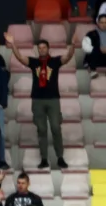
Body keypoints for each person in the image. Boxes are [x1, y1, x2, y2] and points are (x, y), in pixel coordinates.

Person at [7, 33, 68, 169]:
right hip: (37, 100)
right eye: (39, 48)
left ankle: (60, 157)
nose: (41, 50)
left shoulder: (55, 61)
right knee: (41, 129)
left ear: (48, 49)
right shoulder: (34, 62)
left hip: (53, 99)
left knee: (56, 127)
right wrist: (13, 45)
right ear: (37, 50)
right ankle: (44, 159)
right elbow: (20, 58)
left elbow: (67, 58)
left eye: (44, 47)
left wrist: (73, 47)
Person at [82, 13, 106, 79]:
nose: (104, 25)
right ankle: (92, 70)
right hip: (96, 57)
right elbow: (85, 47)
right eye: (102, 22)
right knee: (93, 50)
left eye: (105, 22)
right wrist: (99, 49)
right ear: (98, 23)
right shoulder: (91, 34)